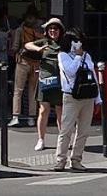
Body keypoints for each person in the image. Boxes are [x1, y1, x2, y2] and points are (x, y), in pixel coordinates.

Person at [55, 30, 101, 171]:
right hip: (71, 96)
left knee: (83, 131)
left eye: (79, 40)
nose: (77, 43)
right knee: (66, 129)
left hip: (87, 97)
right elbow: (70, 71)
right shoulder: (63, 55)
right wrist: (78, 56)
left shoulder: (87, 55)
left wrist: (98, 99)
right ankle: (60, 160)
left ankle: (76, 160)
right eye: (74, 41)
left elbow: (93, 76)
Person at [26, 17, 65, 151]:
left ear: (60, 30)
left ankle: (63, 139)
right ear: (47, 31)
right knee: (43, 110)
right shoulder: (44, 42)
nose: (53, 31)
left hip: (60, 81)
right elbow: (27, 45)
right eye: (50, 29)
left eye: (55, 29)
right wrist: (38, 49)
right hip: (45, 79)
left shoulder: (64, 43)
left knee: (61, 110)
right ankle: (41, 139)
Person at [10, 8, 42, 127]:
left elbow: (15, 47)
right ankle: (31, 117)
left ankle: (15, 116)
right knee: (32, 92)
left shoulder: (20, 30)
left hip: (22, 62)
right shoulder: (39, 30)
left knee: (18, 90)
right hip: (36, 63)